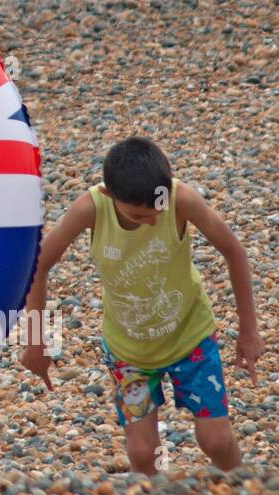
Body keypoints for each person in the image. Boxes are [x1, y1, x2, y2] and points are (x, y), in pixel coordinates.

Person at [20, 136, 265, 475]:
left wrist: (249, 331)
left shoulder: (182, 201)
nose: (151, 221)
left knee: (216, 441)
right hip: (129, 352)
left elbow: (234, 251)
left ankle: (245, 487)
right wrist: (36, 341)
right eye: (138, 215)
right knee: (141, 453)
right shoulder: (91, 209)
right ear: (109, 194)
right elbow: (39, 265)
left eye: (157, 212)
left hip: (190, 340)